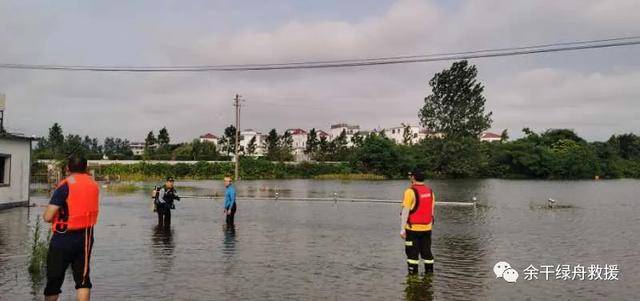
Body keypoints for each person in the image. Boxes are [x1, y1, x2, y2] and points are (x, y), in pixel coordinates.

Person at [42, 155, 100, 301]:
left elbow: (48, 216)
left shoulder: (65, 185)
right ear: (86, 168)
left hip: (63, 237)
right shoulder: (93, 184)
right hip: (86, 237)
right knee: (83, 280)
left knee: (54, 280)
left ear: (68, 168)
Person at [400, 168, 435, 275]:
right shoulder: (430, 192)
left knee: (412, 255)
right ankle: (429, 276)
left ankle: (412, 279)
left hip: (412, 229)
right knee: (427, 253)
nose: (410, 177)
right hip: (427, 229)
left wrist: (402, 229)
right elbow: (431, 211)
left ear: (413, 177)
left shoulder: (409, 192)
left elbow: (405, 211)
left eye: (410, 176)